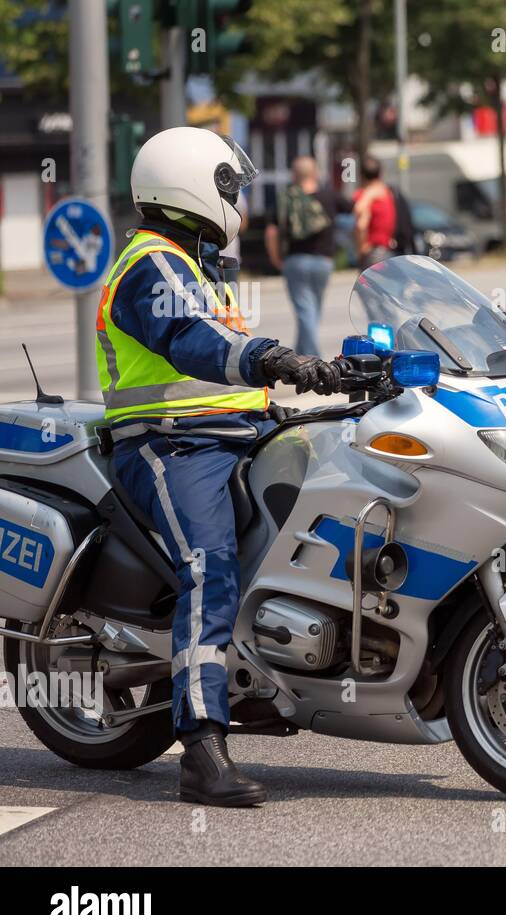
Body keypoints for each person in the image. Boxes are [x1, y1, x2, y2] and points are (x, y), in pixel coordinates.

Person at [99, 127, 347, 807]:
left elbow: (231, 352)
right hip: (171, 445)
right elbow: (194, 341)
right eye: (230, 186)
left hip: (240, 434)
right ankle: (202, 748)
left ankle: (269, 672)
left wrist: (345, 372)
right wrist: (274, 357)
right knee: (207, 566)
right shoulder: (150, 264)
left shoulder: (198, 265)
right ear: (190, 184)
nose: (237, 200)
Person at [265, 156, 348, 357]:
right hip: (323, 262)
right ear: (315, 173)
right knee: (312, 312)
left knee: (306, 313)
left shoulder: (287, 198)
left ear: (294, 175)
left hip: (295, 261)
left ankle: (309, 358)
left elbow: (272, 232)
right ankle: (305, 356)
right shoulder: (329, 196)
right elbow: (354, 211)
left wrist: (276, 258)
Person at [353, 155, 397, 267]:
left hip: (372, 251)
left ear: (361, 175)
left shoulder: (365, 195)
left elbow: (361, 225)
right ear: (380, 173)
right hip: (386, 251)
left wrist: (360, 248)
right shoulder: (387, 193)